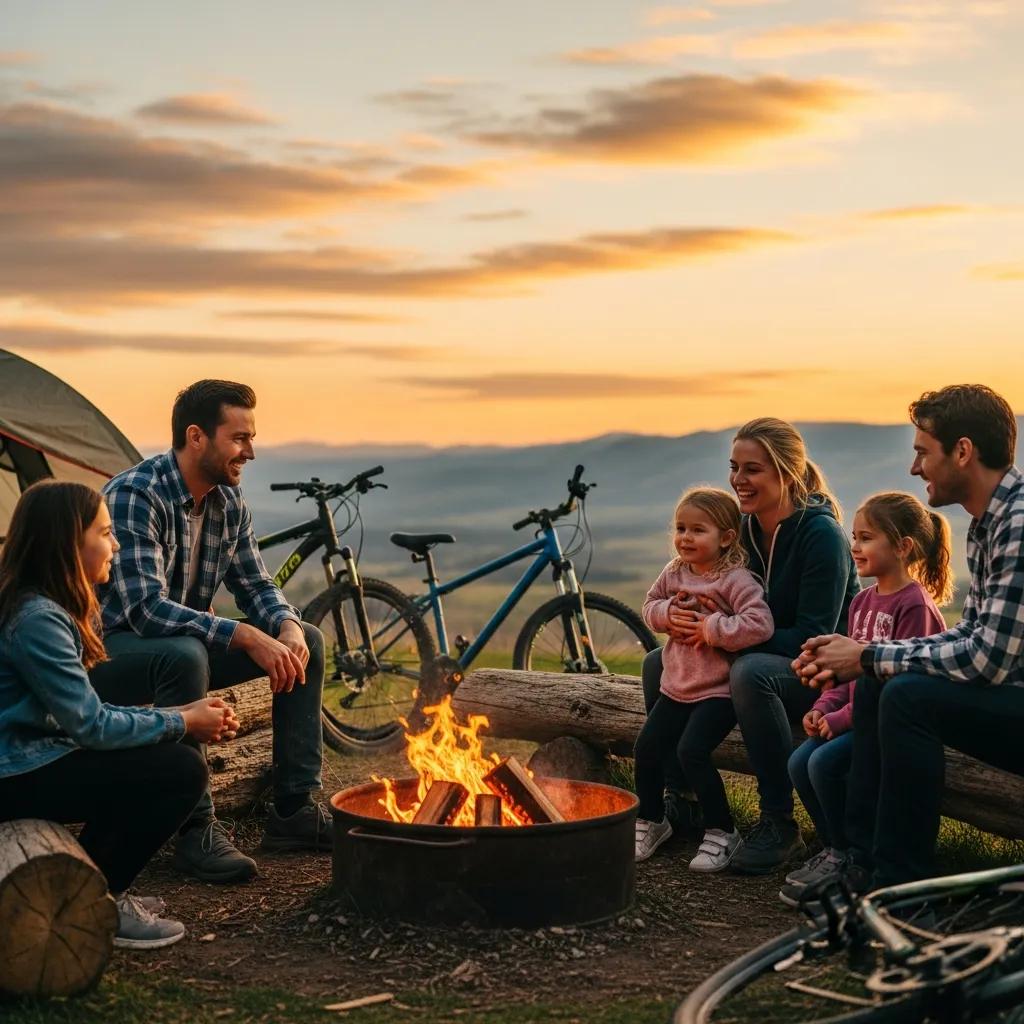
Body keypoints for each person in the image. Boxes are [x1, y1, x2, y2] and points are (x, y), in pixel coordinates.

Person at [93, 379, 331, 885]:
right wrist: (245, 636)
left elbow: (256, 584)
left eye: (250, 438)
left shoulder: (227, 502)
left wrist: (284, 625)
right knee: (184, 655)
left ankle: (294, 810)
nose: (250, 451)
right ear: (196, 437)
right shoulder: (137, 494)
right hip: (108, 656)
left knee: (307, 638)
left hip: (177, 645)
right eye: (239, 438)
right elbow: (145, 611)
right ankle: (194, 828)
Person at [795, 384, 1024, 889]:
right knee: (886, 681)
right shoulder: (990, 523)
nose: (914, 468)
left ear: (962, 452)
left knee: (904, 695)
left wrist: (871, 655)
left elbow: (987, 660)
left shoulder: (1019, 524)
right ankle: (865, 859)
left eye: (922, 451)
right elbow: (970, 633)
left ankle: (903, 884)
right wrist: (867, 658)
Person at [0, 481, 239, 948]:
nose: (116, 544)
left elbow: (83, 715)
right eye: (105, 532)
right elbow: (90, 726)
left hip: (23, 764)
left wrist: (180, 716)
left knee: (163, 758)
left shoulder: (42, 606)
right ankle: (94, 899)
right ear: (70, 543)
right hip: (11, 776)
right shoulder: (38, 619)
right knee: (179, 770)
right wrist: (184, 720)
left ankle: (94, 886)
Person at [780, 491, 950, 905]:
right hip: (852, 718)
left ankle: (859, 855)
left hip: (885, 726)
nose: (854, 546)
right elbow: (844, 671)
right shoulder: (862, 601)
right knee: (798, 763)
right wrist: (822, 708)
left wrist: (839, 721)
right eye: (854, 537)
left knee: (821, 763)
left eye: (866, 538)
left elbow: (895, 687)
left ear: (903, 546)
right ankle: (836, 847)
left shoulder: (914, 606)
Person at [635, 487, 773, 870]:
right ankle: (652, 820)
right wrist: (667, 615)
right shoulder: (674, 572)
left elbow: (760, 624)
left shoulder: (735, 580)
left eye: (698, 530)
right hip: (676, 685)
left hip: (717, 690)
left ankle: (722, 831)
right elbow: (649, 606)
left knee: (691, 752)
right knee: (647, 750)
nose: (685, 538)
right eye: (681, 528)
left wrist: (711, 628)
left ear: (726, 537)